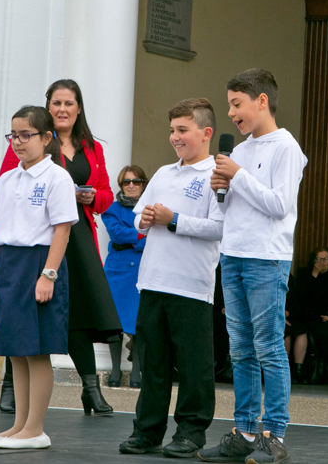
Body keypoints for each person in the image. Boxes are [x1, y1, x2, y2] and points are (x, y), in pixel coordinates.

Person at [200, 69, 307, 464]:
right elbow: (228, 208)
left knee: (269, 348)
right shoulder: (239, 152)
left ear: (262, 101)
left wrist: (238, 177)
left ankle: (273, 435)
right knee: (241, 349)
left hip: (267, 258)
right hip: (233, 254)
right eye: (229, 104)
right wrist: (221, 190)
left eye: (236, 104)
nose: (230, 113)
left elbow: (280, 205)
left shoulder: (286, 148)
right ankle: (244, 432)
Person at [0, 79, 122, 416]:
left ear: (79, 108)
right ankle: (10, 388)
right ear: (47, 106)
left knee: (78, 313)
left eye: (69, 103)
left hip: (78, 237)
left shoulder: (92, 147)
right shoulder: (31, 139)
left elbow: (107, 194)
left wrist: (91, 196)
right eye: (56, 103)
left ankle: (90, 388)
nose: (62, 109)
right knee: (25, 313)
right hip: (38, 235)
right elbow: (7, 186)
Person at [118, 98, 224, 458]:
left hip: (191, 285)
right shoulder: (164, 173)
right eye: (172, 130)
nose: (174, 137)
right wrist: (145, 219)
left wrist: (173, 219)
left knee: (194, 366)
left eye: (182, 130)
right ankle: (147, 431)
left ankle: (191, 432)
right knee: (153, 364)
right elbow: (136, 217)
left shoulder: (216, 176)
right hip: (153, 281)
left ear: (206, 132)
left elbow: (220, 228)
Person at [0, 106, 78, 450]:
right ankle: (19, 425)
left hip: (38, 263)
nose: (18, 142)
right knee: (16, 350)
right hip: (9, 265)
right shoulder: (8, 179)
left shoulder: (56, 178)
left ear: (47, 138)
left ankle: (35, 428)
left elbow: (62, 229)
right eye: (14, 135)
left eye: (26, 135)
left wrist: (48, 274)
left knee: (37, 350)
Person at [102, 165, 148, 388]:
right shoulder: (111, 208)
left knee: (138, 323)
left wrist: (132, 239)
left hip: (142, 270)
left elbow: (156, 236)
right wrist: (140, 235)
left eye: (136, 181)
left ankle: (137, 372)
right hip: (117, 270)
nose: (131, 185)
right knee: (115, 322)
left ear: (143, 184)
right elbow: (116, 234)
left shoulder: (151, 208)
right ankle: (115, 371)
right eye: (126, 182)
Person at [286, 247, 328, 384]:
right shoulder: (304, 275)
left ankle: (324, 372)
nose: (322, 262)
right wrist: (314, 274)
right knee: (301, 330)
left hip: (325, 318)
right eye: (318, 259)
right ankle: (298, 372)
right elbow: (301, 298)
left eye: (325, 259)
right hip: (304, 316)